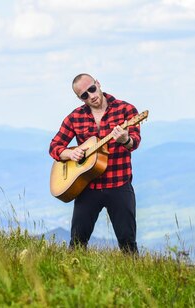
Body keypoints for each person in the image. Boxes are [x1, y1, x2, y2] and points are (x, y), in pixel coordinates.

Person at [49, 73, 142, 254]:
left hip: (119, 185)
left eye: (92, 89)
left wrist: (125, 139)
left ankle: (135, 280)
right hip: (87, 187)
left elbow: (134, 143)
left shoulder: (126, 110)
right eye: (84, 95)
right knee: (77, 243)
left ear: (98, 84)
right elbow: (54, 147)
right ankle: (72, 278)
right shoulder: (74, 118)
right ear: (79, 98)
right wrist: (70, 153)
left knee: (128, 244)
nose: (91, 96)